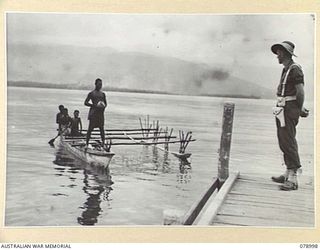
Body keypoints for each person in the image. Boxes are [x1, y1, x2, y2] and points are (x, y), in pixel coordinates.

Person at [270, 41, 309, 191]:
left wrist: (299, 108)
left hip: (289, 109)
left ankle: (293, 179)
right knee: (283, 140)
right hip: (282, 108)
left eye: (279, 52)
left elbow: (300, 92)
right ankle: (288, 172)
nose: (277, 55)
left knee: (289, 140)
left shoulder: (295, 69)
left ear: (286, 53)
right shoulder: (286, 69)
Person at [84, 78, 107, 148]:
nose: (100, 86)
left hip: (100, 113)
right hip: (93, 113)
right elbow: (85, 102)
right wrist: (93, 105)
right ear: (95, 84)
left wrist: (103, 106)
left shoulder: (103, 94)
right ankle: (87, 144)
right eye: (99, 84)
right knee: (90, 129)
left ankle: (103, 143)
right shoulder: (91, 93)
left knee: (101, 129)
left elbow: (106, 104)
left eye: (101, 84)